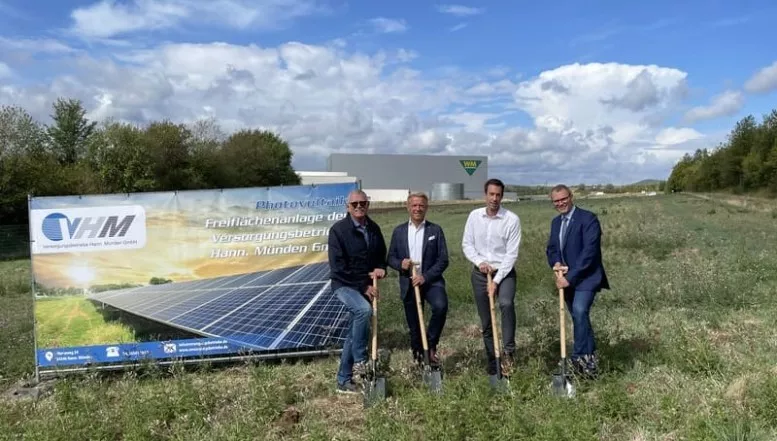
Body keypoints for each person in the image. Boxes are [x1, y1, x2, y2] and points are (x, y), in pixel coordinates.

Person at [545, 184, 609, 378]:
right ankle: (590, 364)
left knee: (580, 311)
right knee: (579, 319)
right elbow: (552, 248)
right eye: (556, 201)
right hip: (566, 279)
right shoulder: (556, 222)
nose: (560, 203)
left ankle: (577, 359)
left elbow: (589, 253)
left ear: (571, 197)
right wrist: (555, 262)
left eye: (563, 199)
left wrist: (570, 278)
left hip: (587, 278)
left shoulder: (588, 219)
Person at [328, 189, 387, 394]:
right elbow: (338, 268)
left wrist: (381, 268)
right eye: (355, 204)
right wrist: (363, 286)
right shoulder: (338, 231)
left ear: (368, 204)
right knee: (363, 311)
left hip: (366, 285)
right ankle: (360, 360)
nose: (359, 206)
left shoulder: (374, 229)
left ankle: (343, 380)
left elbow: (381, 255)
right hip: (344, 285)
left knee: (354, 331)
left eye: (363, 203)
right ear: (348, 207)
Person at [462, 178, 522, 377]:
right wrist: (480, 262)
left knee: (505, 304)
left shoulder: (511, 219)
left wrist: (496, 281)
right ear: (485, 195)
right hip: (480, 273)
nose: (494, 198)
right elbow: (467, 244)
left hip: (504, 273)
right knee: (486, 320)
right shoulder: (474, 216)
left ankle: (508, 354)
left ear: (502, 197)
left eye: (498, 195)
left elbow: (511, 254)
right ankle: (493, 360)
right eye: (491, 194)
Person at [387, 192, 450, 367]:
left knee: (440, 306)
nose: (417, 209)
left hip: (431, 282)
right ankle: (419, 357)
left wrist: (425, 277)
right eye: (414, 205)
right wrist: (401, 264)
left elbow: (443, 259)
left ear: (426, 207)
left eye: (421, 205)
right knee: (414, 326)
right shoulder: (399, 231)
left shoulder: (435, 230)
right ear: (408, 207)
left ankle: (430, 344)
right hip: (409, 284)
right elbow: (390, 257)